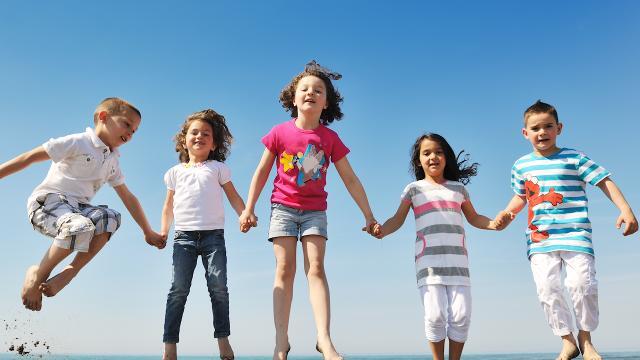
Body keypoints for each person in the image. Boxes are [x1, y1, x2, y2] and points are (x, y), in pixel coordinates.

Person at [239, 60, 378, 360]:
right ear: (293, 97)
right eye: (305, 89)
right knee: (285, 270)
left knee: (315, 268)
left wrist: (368, 215)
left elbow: (351, 179)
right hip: (283, 208)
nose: (311, 93)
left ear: (326, 102)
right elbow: (261, 172)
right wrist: (248, 208)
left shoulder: (329, 139)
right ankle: (281, 341)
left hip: (316, 211)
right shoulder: (279, 133)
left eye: (318, 90)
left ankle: (324, 340)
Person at [501, 100, 638, 360]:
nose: (542, 132)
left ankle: (585, 339)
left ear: (559, 128)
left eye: (548, 126)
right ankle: (567, 340)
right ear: (525, 133)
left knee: (582, 285)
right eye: (535, 128)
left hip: (576, 234)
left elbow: (603, 181)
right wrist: (506, 214)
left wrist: (626, 209)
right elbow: (522, 196)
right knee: (548, 288)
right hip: (540, 238)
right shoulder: (521, 166)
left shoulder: (574, 157)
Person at [0, 97, 166, 311]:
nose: (130, 133)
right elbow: (29, 157)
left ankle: (70, 271)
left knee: (111, 217)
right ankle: (38, 275)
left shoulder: (112, 161)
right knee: (80, 225)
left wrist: (147, 231)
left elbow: (128, 197)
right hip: (47, 203)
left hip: (76, 209)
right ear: (103, 117)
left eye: (135, 131)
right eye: (126, 124)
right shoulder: (78, 142)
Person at [368, 133, 511, 360]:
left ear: (446, 157)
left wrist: (494, 224)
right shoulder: (413, 189)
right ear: (418, 160)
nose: (433, 157)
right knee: (435, 316)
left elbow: (474, 218)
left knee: (461, 316)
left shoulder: (458, 189)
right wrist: (381, 230)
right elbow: (397, 219)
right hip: (428, 263)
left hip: (458, 263)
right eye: (426, 153)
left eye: (438, 152)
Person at [160, 109, 247, 360]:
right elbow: (168, 206)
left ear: (214, 143)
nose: (199, 136)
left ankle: (223, 341)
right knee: (178, 289)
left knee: (218, 287)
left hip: (213, 237)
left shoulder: (218, 168)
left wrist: (243, 214)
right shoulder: (174, 173)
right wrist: (163, 231)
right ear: (184, 140)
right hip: (183, 237)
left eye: (206, 134)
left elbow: (233, 196)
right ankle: (170, 346)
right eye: (194, 132)